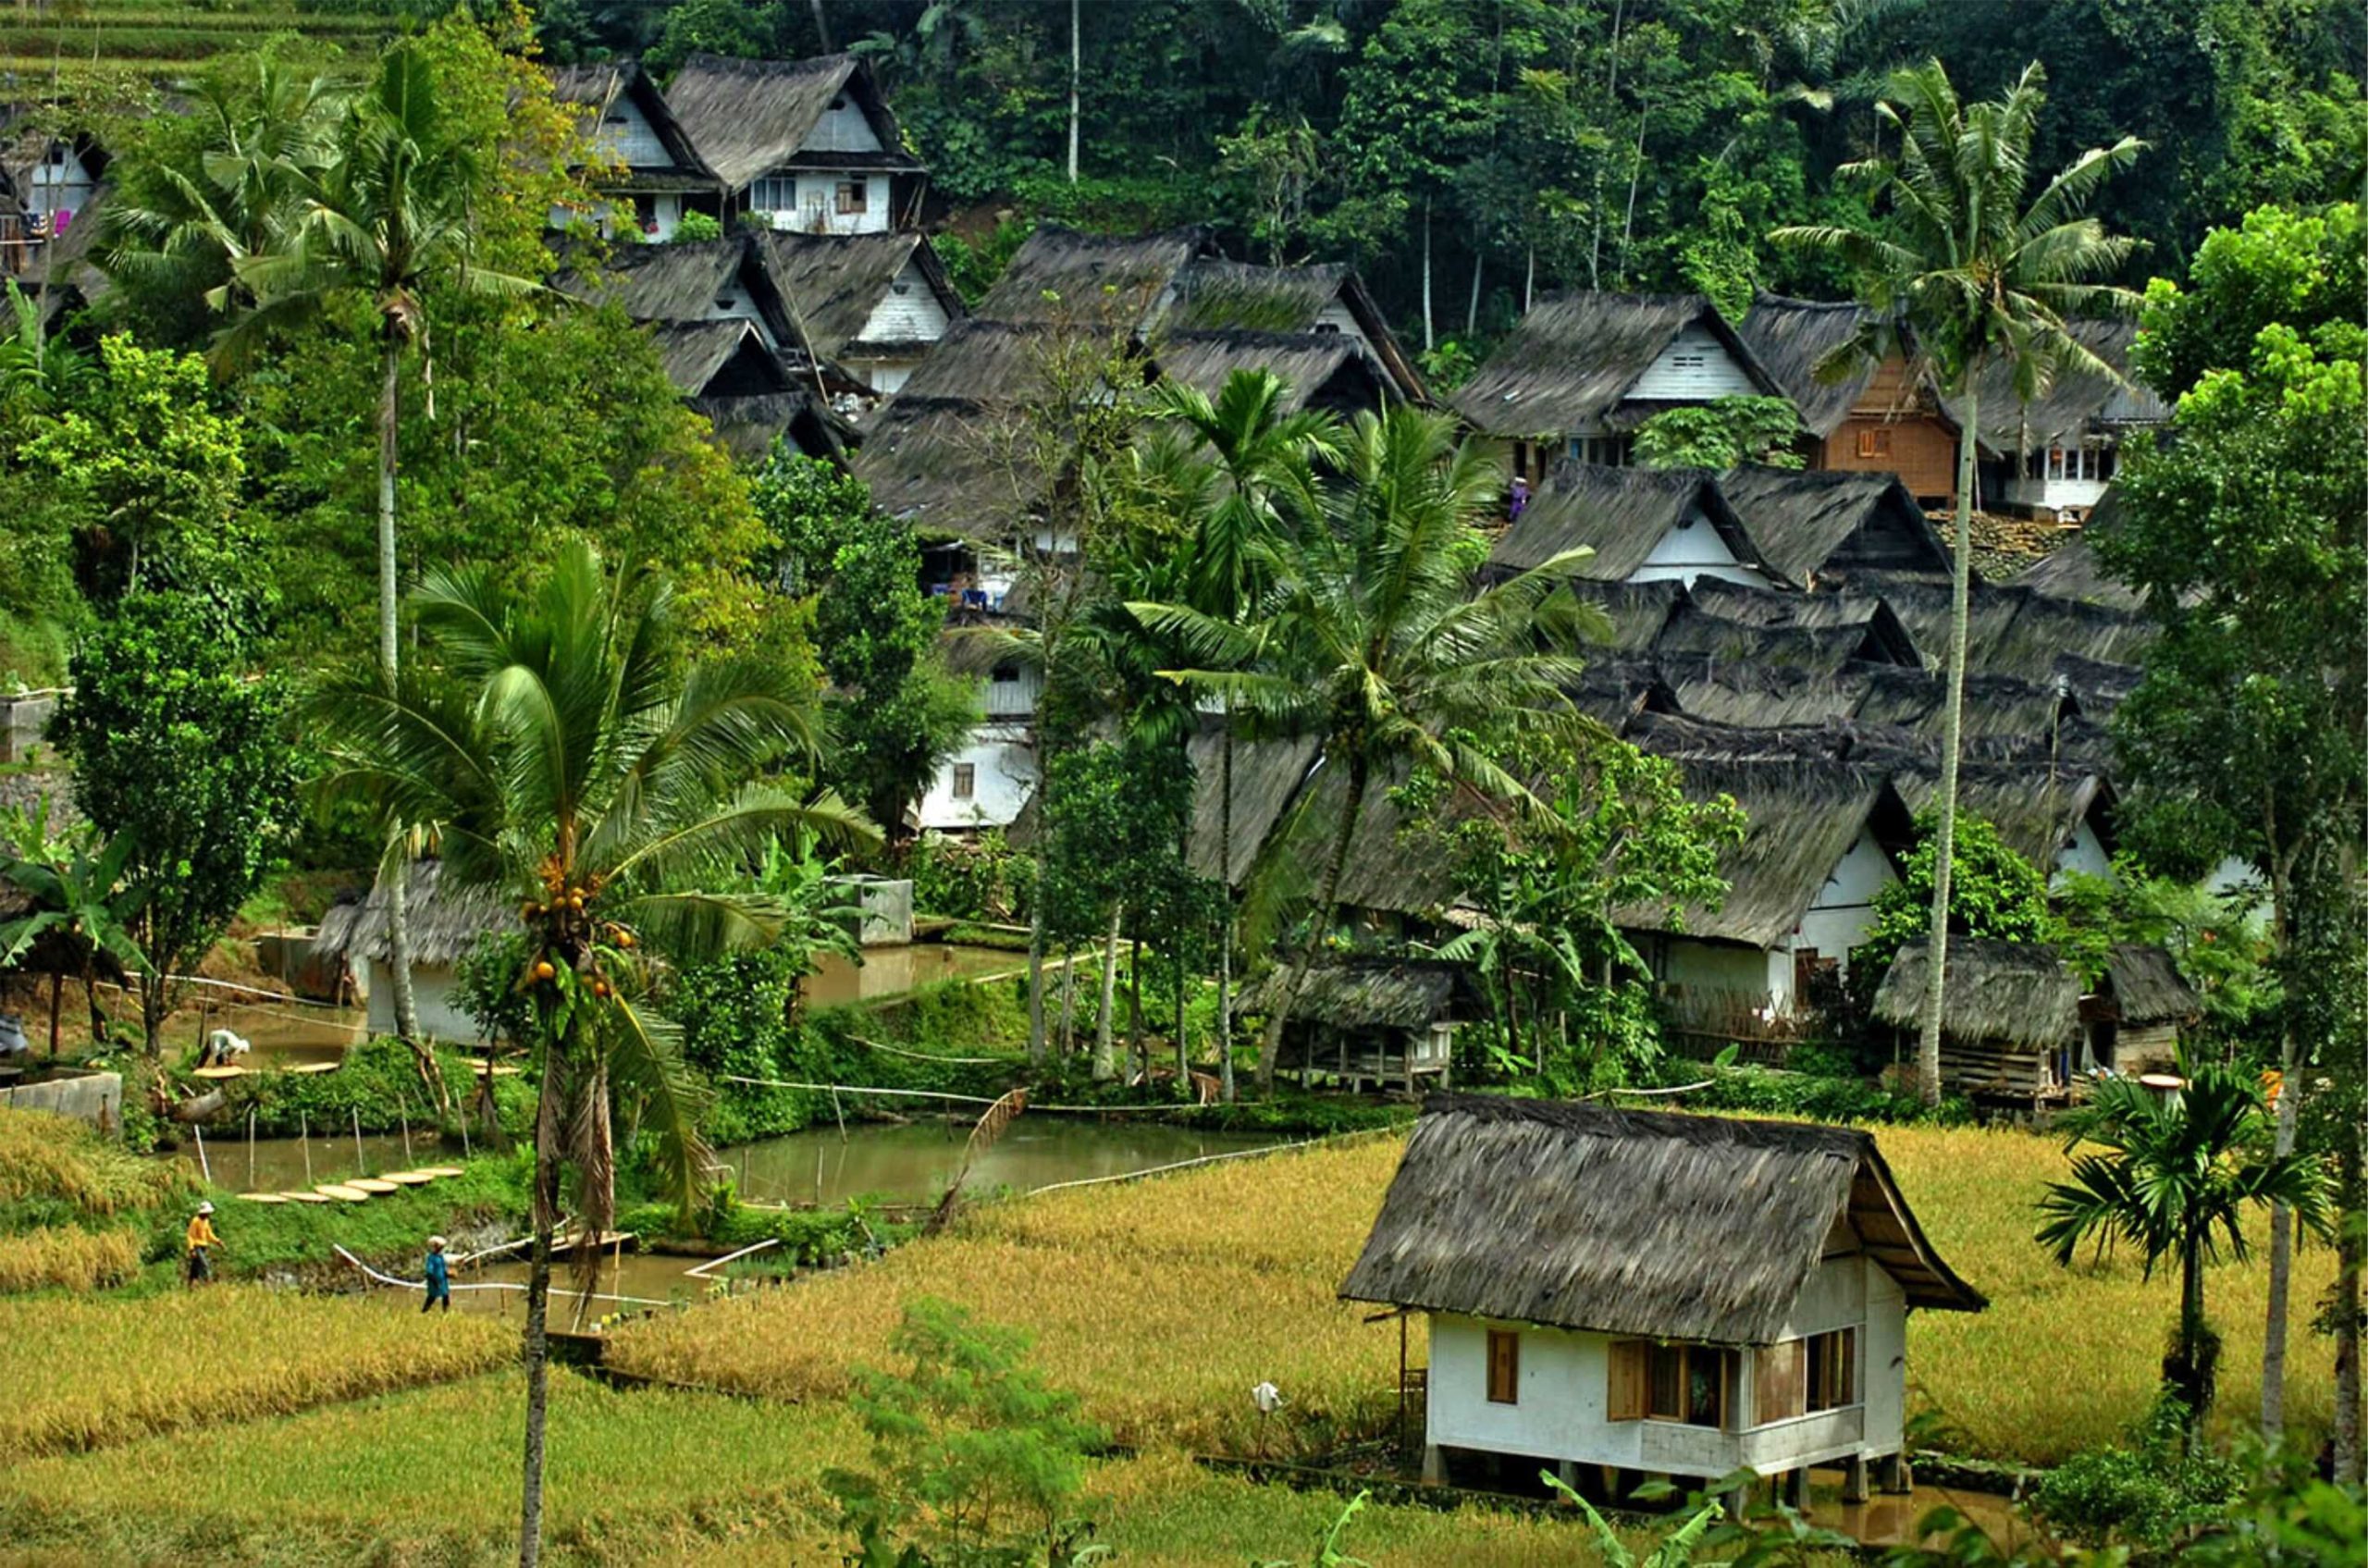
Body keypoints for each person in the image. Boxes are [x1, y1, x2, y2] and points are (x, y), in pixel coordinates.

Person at [185, 1201, 220, 1286]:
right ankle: (208, 1282)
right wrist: (191, 1249)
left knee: (195, 1268)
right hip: (197, 1247)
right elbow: (190, 1235)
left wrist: (217, 1241)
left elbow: (209, 1234)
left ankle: (190, 1284)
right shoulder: (195, 1221)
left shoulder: (206, 1221)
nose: (208, 1214)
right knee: (205, 1264)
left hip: (204, 1246)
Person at [422, 1235, 450, 1314]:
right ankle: (424, 1311)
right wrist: (435, 1281)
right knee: (432, 1297)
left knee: (446, 1296)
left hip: (443, 1281)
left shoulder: (440, 1257)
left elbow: (443, 1267)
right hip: (435, 1281)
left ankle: (446, 1312)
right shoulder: (431, 1258)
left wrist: (447, 1274)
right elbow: (429, 1272)